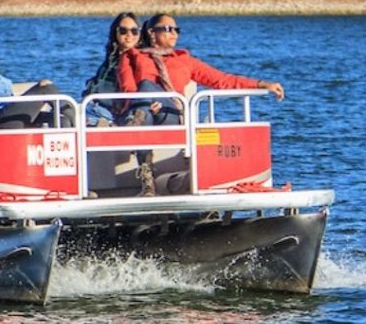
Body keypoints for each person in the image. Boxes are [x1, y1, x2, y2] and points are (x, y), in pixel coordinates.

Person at [116, 13, 285, 195]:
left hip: (170, 113)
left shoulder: (183, 60)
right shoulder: (133, 56)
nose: (173, 34)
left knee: (144, 100)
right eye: (167, 29)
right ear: (151, 33)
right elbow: (128, 90)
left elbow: (221, 80)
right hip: (143, 108)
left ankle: (136, 125)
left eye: (176, 30)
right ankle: (148, 182)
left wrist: (261, 84)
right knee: (145, 90)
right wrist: (147, 102)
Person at [81, 12, 141, 125]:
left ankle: (104, 124)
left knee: (71, 119)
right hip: (91, 105)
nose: (129, 35)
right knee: (48, 90)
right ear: (115, 32)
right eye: (123, 30)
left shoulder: (140, 59)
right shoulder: (111, 58)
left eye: (134, 31)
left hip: (108, 111)